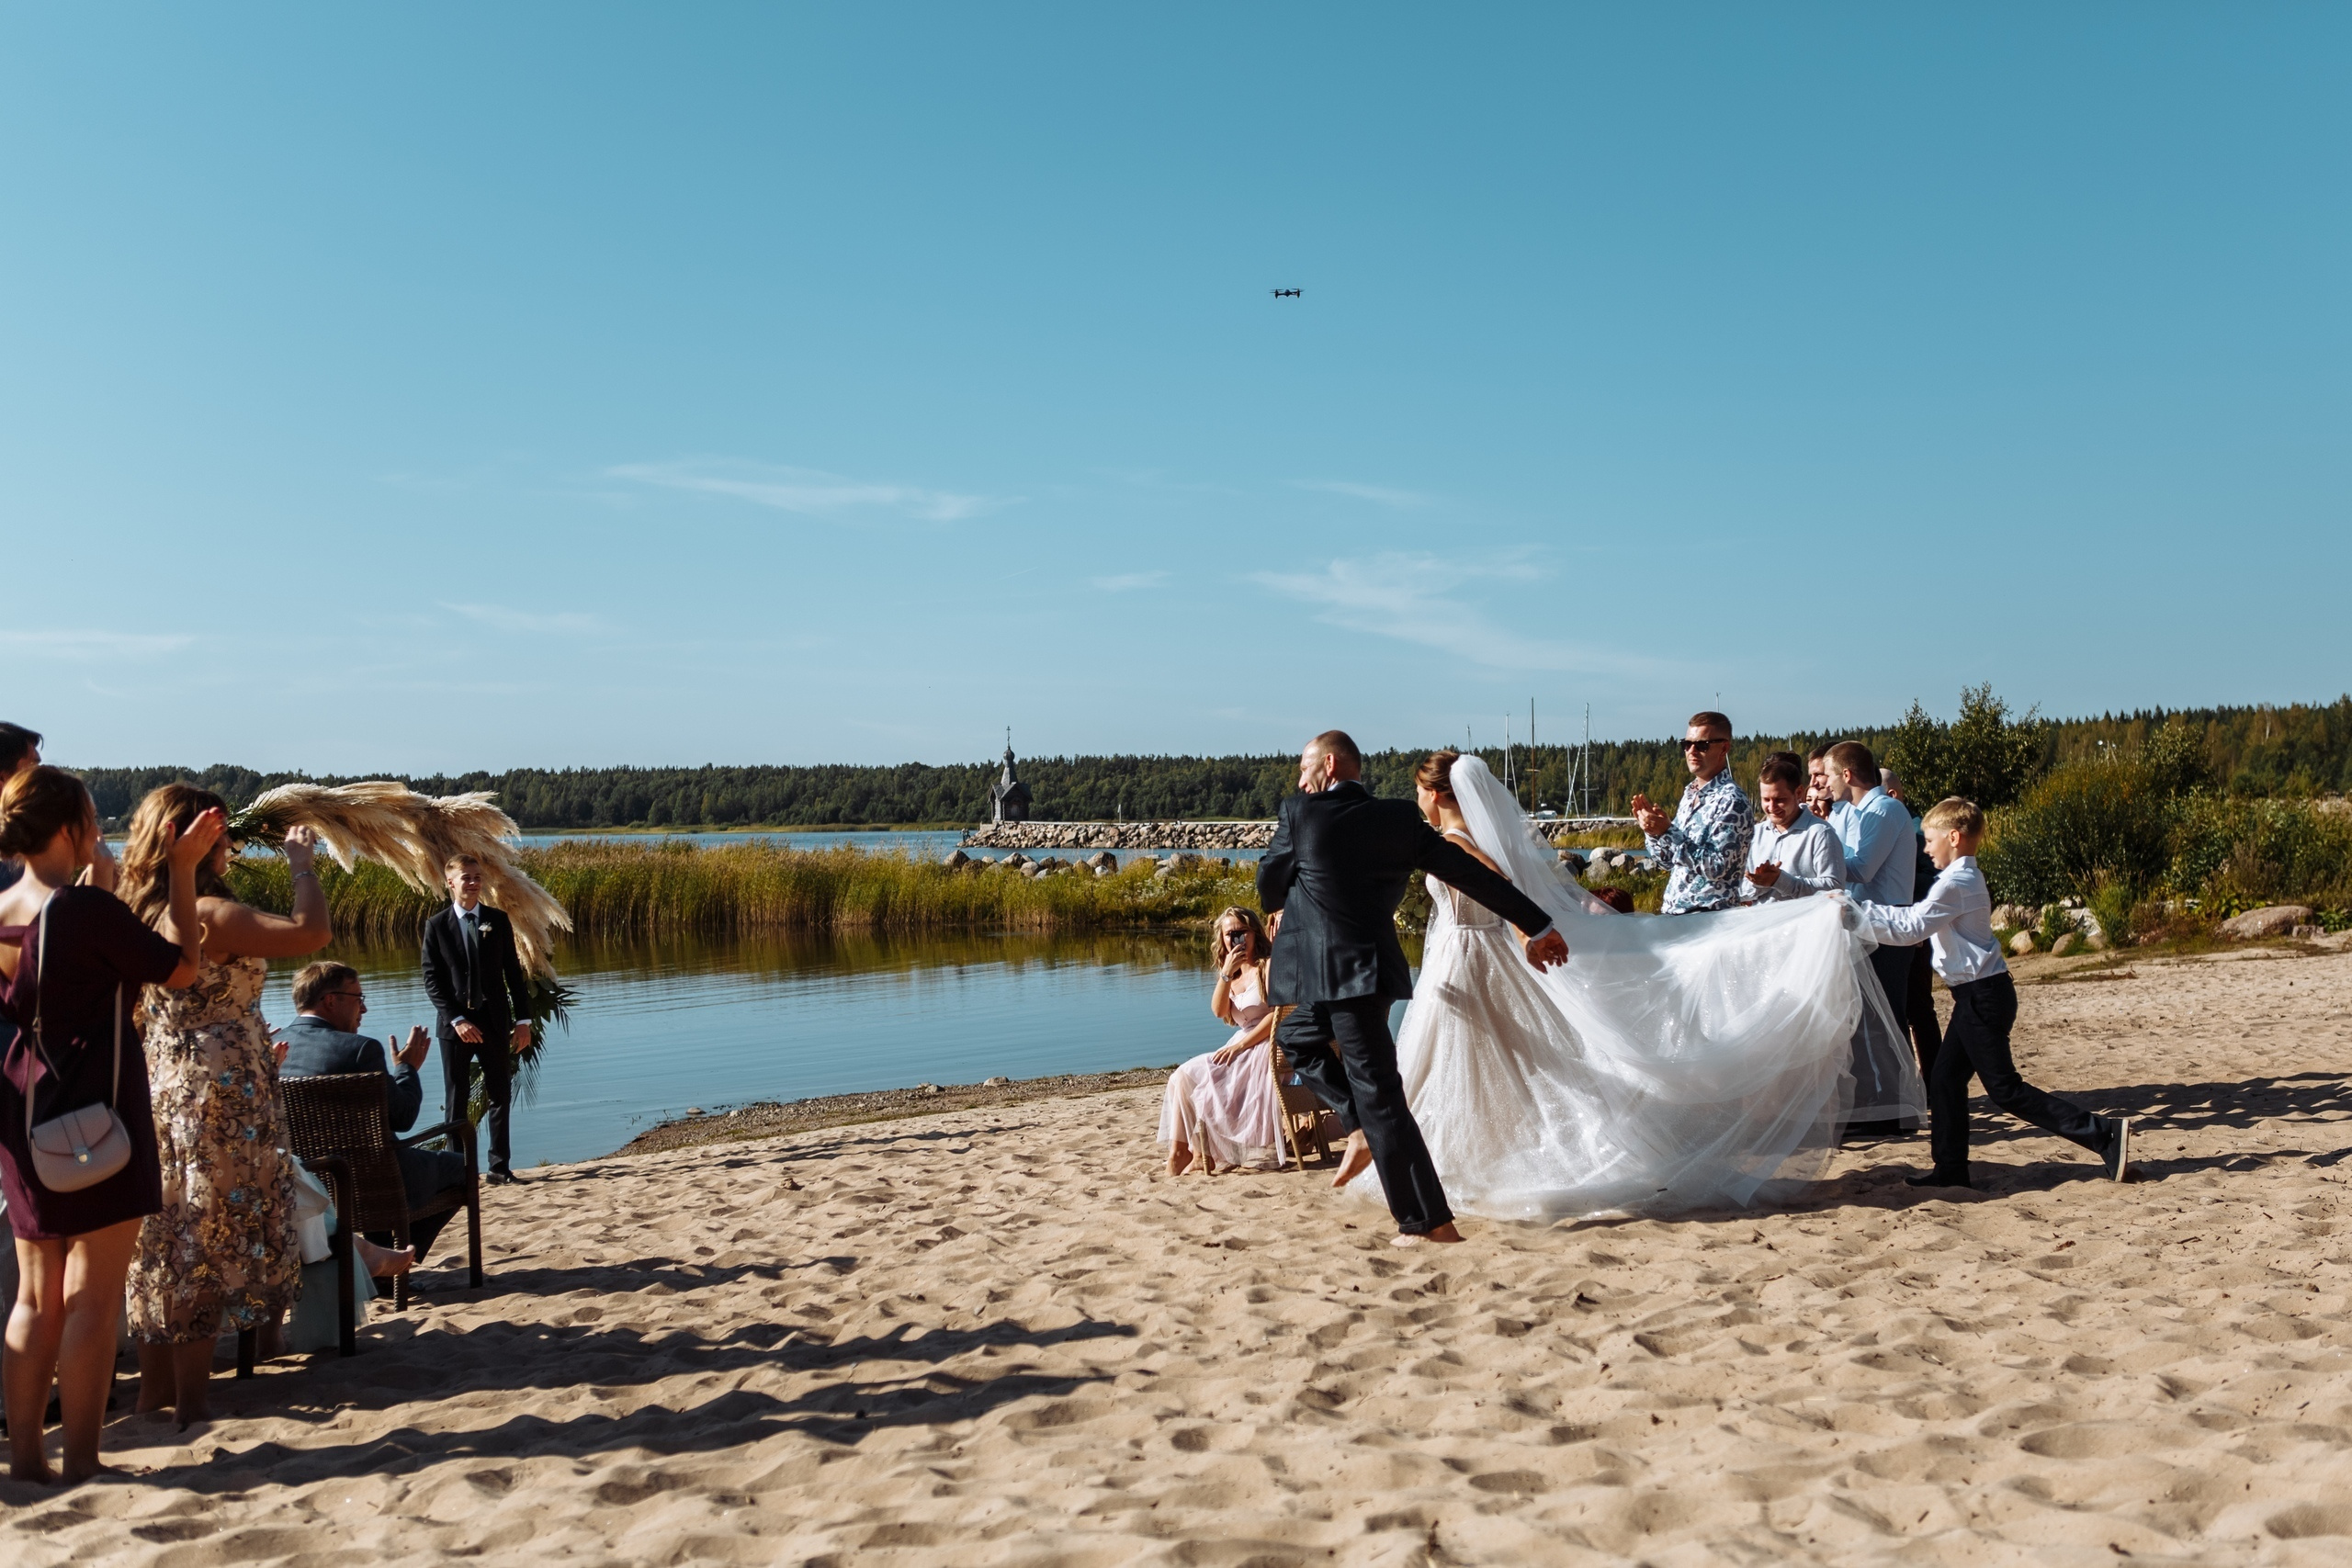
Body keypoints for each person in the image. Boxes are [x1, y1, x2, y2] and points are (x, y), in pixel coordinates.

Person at [1391, 751, 1907, 1218]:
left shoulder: (1458, 843)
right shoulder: (1463, 840)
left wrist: (1528, 929)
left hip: (1471, 956)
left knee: (1475, 1059)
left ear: (1436, 794)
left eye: (1419, 792)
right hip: (1468, 956)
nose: (1418, 802)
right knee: (1489, 1060)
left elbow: (1496, 882)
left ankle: (1459, 1159)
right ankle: (1462, 1156)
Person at [1259, 731, 1567, 1246]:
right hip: (1369, 973)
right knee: (1297, 1040)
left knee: (1383, 1097)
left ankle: (1430, 1222)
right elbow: (1469, 874)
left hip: (1343, 980)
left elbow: (1269, 886)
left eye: (1303, 768)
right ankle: (1356, 1126)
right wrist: (1535, 923)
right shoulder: (1401, 818)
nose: (1300, 779)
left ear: (1329, 766)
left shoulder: (1300, 812)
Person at [0, 767, 216, 1483]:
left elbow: (50, 983)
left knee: (35, 1296)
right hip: (101, 1117)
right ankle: (84, 1458)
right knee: (91, 1293)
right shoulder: (86, 910)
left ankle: (26, 1456)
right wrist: (181, 871)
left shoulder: (5, 907)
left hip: (23, 1114)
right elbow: (180, 967)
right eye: (92, 815)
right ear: (70, 828)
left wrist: (108, 888)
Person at [118, 784, 333, 1428]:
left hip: (165, 1082)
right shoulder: (210, 913)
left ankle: (155, 1396)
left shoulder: (140, 909)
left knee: (168, 1235)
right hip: (219, 1091)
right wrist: (302, 863)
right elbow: (311, 931)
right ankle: (191, 1403)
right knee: (205, 1237)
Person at [1851, 797, 2132, 1190]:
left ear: (1954, 836)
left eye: (1929, 840)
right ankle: (1951, 1170)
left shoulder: (1957, 882)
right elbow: (1913, 921)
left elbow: (1913, 926)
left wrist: (1856, 915)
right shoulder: (1958, 880)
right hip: (1977, 996)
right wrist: (1862, 912)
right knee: (1947, 1081)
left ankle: (2103, 1133)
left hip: (1983, 996)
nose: (1925, 847)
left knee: (2005, 1090)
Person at [275, 962, 469, 1261]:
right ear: (330, 1000)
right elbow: (402, 1118)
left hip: (306, 1183)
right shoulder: (359, 1049)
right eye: (359, 999)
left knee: (374, 1154)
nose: (363, 1010)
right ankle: (395, 1257)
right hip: (376, 1182)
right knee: (462, 1166)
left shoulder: (271, 1048)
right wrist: (407, 1069)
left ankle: (378, 1260)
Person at [1824, 741, 1921, 1135]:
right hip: (1868, 927)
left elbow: (1862, 869)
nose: (1826, 784)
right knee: (1866, 1022)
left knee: (1887, 1022)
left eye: (1829, 775)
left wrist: (1810, 866)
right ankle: (1874, 1106)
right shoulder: (1855, 811)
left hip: (1888, 930)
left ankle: (1898, 1109)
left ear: (1847, 775)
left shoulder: (1883, 810)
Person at [421, 855, 534, 1185]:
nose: (472, 883)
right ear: (450, 883)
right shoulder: (436, 925)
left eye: (477, 877)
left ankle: (499, 1169)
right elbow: (432, 980)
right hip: (455, 1028)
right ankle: (458, 1173)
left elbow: (513, 972)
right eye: (465, 877)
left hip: (495, 1022)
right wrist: (456, 1019)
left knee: (500, 1094)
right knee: (455, 1101)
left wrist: (523, 1020)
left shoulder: (497, 920)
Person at [1157, 908, 1283, 1175]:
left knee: (1208, 1081)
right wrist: (1226, 972)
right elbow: (1219, 1011)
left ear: (1254, 933)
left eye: (1241, 932)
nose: (1236, 939)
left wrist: (1240, 1046)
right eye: (1230, 934)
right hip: (1241, 1042)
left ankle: (1202, 1154)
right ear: (1223, 939)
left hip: (1263, 1044)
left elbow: (1277, 1015)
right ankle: (1180, 1152)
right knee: (1182, 1076)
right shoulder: (1232, 974)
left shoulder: (1267, 966)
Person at [1631, 712, 1755, 915]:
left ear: (1724, 748)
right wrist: (1654, 833)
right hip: (1676, 917)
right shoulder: (1690, 794)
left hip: (1709, 919)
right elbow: (1668, 862)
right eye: (1686, 744)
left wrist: (1668, 832)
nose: (1692, 751)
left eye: (1702, 745)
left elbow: (1716, 867)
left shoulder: (1732, 801)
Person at [1881, 767, 1943, 1082]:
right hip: (1901, 926)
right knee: (1910, 1011)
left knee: (1918, 1009)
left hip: (1914, 930)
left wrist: (1896, 884)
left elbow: (1933, 880)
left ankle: (1931, 1082)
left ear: (1892, 796)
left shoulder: (1918, 832)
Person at [1743, 751, 1847, 904]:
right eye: (1766, 800)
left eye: (1779, 800)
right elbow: (1738, 889)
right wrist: (1760, 883)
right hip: (1762, 924)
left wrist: (1780, 881)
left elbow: (1835, 888)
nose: (1771, 807)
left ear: (1798, 793)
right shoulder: (1755, 834)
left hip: (1805, 925)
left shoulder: (1820, 834)